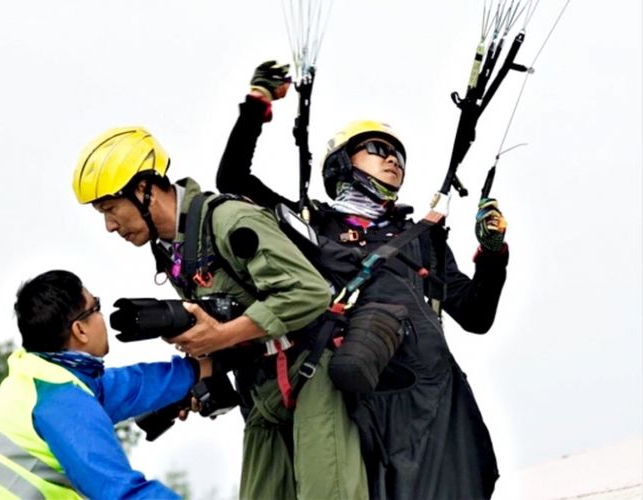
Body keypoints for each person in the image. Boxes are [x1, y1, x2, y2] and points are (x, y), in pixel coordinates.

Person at [215, 61, 510, 499]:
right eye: (376, 148)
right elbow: (233, 180)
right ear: (342, 162)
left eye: (399, 155)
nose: (392, 159)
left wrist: (492, 255)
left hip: (431, 399)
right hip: (359, 395)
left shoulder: (421, 239)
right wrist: (257, 105)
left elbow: (475, 314)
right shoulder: (312, 226)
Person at [71, 127, 369, 500]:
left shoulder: (228, 220)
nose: (110, 226)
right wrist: (199, 376)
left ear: (144, 189)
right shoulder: (174, 250)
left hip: (311, 371)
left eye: (111, 209)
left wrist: (220, 336)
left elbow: (309, 293)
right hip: (260, 387)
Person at [0, 269, 207, 499]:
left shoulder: (41, 377)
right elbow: (120, 491)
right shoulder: (60, 401)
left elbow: (129, 387)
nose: (104, 316)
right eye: (97, 306)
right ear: (79, 329)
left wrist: (201, 366)